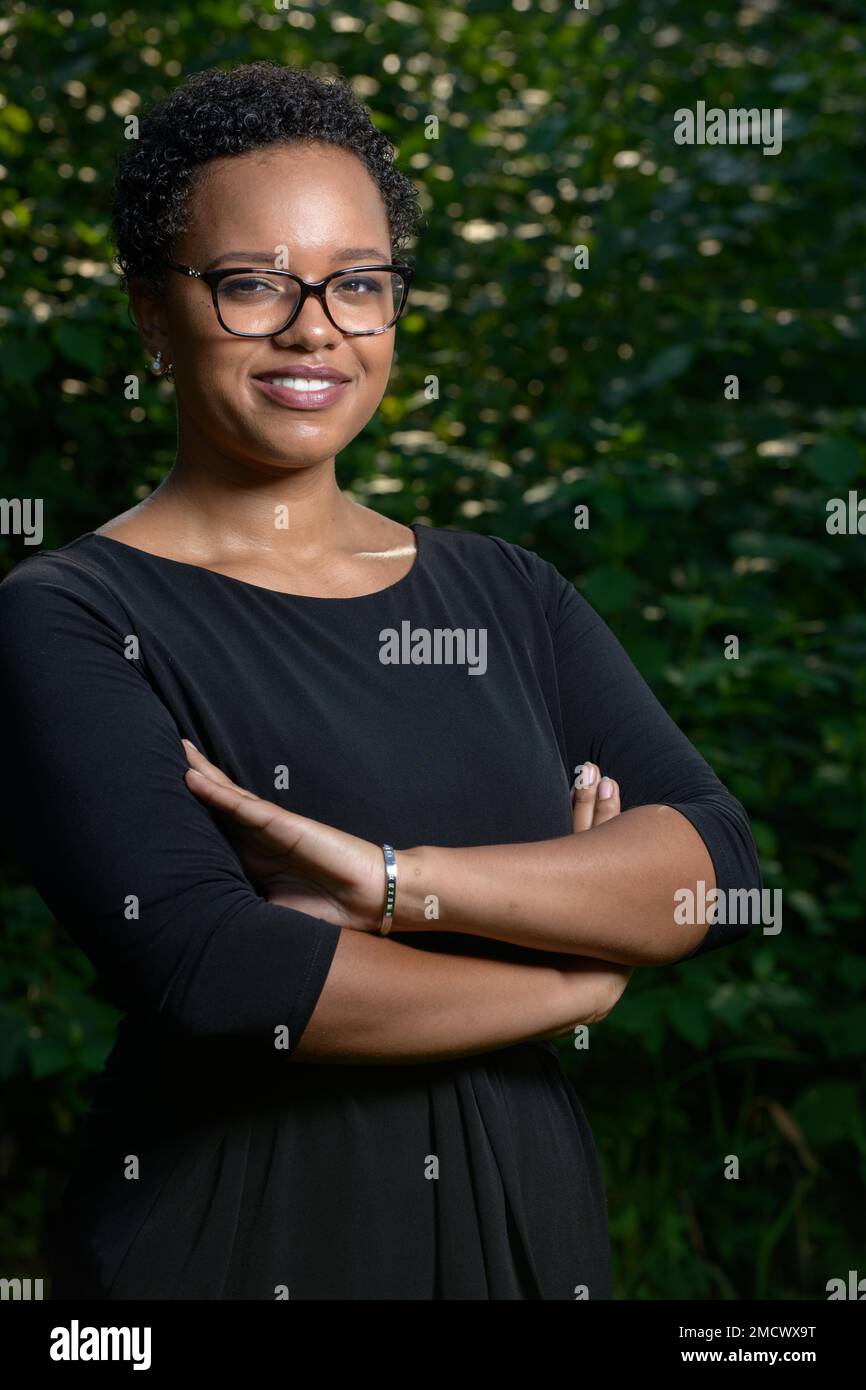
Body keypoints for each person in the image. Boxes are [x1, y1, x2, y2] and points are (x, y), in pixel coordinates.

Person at [0, 62, 761, 1300]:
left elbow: (714, 871)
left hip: (526, 1229)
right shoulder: (70, 616)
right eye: (252, 285)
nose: (316, 329)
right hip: (238, 1237)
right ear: (151, 312)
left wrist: (391, 884)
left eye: (358, 283)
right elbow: (223, 976)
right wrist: (568, 968)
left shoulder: (508, 594)